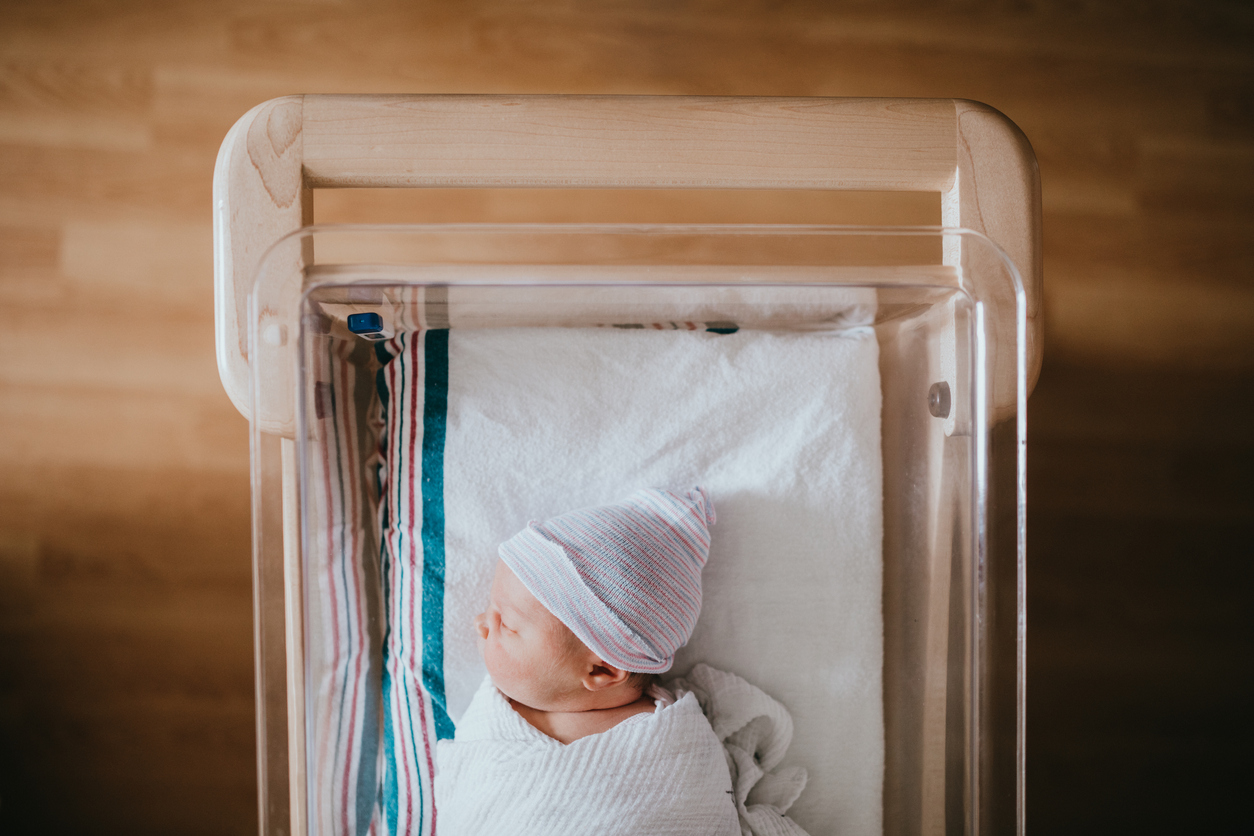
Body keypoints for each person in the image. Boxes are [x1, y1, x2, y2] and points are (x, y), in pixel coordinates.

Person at [435, 487, 742, 836]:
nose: (480, 623)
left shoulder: (675, 749)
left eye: (506, 622)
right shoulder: (494, 722)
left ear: (601, 670)